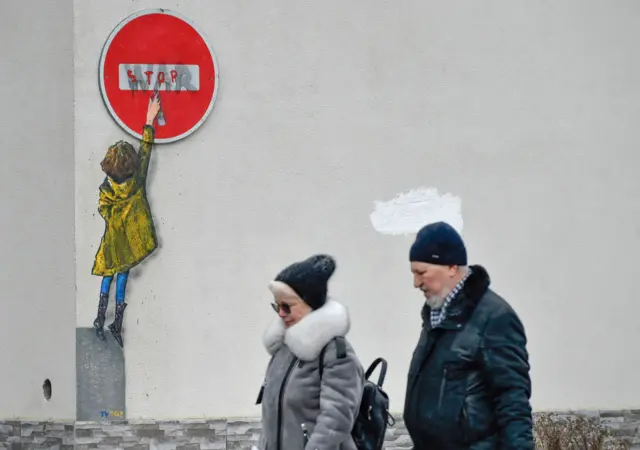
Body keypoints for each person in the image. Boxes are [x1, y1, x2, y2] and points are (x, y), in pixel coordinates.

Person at [403, 222, 534, 450]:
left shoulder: (494, 318)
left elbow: (512, 400)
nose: (416, 283)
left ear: (452, 267)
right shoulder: (437, 315)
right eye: (413, 273)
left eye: (421, 272)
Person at [255, 254, 364, 450]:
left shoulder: (336, 353)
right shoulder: (283, 350)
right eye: (277, 306)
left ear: (310, 304)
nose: (281, 314)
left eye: (287, 306)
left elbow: (336, 419)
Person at [91, 94, 162, 348]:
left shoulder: (107, 188)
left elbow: (102, 207)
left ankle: (100, 319)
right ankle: (116, 326)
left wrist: (113, 219)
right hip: (129, 245)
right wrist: (149, 120)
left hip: (112, 243)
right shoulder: (138, 180)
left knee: (107, 278)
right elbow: (146, 149)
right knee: (121, 280)